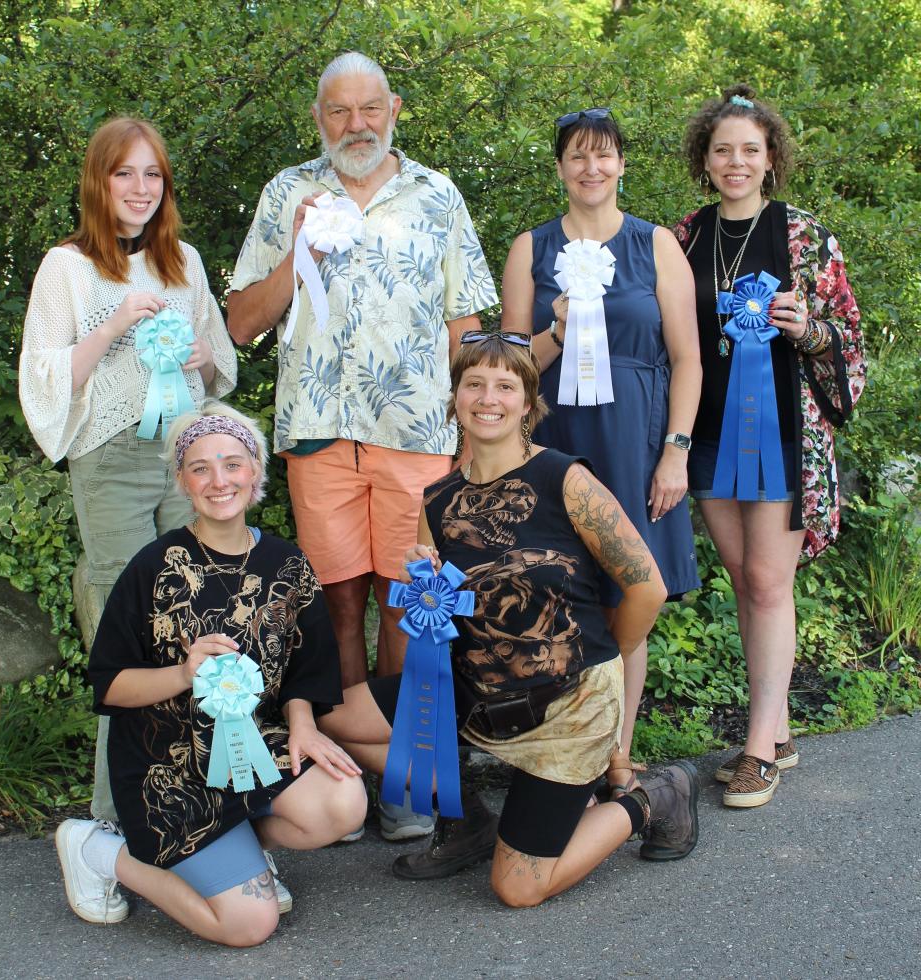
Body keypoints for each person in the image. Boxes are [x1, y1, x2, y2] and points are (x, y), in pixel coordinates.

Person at [319, 333, 700, 908]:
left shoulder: (564, 478)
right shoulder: (437, 500)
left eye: (505, 385)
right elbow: (432, 619)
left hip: (567, 707)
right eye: (474, 383)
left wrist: (606, 660)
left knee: (518, 889)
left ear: (528, 401)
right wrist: (421, 584)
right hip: (476, 695)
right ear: (455, 398)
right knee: (335, 716)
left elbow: (647, 586)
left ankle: (652, 800)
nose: (487, 397)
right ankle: (466, 818)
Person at [227, 51, 498, 839]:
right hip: (317, 430)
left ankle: (405, 781)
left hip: (416, 436)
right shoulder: (288, 192)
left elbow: (465, 326)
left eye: (369, 108)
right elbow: (244, 321)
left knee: (408, 608)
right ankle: (346, 769)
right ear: (319, 119)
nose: (356, 125)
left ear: (395, 108)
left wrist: (476, 430)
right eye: (339, 112)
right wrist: (297, 247)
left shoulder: (437, 195)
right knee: (335, 604)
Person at [18, 117, 237, 909]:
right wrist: (114, 326)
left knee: (196, 624)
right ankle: (107, 836)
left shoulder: (186, 264)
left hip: (185, 459)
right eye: (125, 175)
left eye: (153, 175)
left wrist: (199, 356)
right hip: (109, 461)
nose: (141, 189)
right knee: (126, 633)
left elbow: (220, 370)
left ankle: (194, 819)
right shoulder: (67, 268)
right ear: (98, 182)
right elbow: (46, 378)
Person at [55, 403, 367, 944]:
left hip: (253, 750)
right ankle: (101, 854)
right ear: (181, 480)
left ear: (256, 473)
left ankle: (244, 852)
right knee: (250, 926)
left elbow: (307, 669)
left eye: (232, 463)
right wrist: (183, 673)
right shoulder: (152, 567)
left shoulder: (287, 564)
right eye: (200, 467)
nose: (218, 480)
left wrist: (303, 724)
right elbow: (108, 684)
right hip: (169, 764)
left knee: (344, 800)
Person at [500, 108, 702, 797]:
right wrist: (554, 330)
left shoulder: (657, 246)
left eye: (605, 156)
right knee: (554, 596)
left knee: (630, 596)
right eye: (578, 157)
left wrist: (675, 452)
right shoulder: (531, 248)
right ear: (559, 167)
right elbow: (509, 372)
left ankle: (617, 754)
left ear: (622, 165)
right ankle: (561, 751)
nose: (592, 168)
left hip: (636, 442)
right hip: (555, 446)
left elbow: (689, 359)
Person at [674, 84, 866, 807]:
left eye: (750, 149)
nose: (736, 161)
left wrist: (807, 329)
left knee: (767, 583)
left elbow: (844, 336)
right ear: (705, 158)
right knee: (741, 577)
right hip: (711, 430)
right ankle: (777, 730)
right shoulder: (684, 236)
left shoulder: (805, 236)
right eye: (722, 149)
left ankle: (758, 751)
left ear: (771, 158)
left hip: (784, 428)